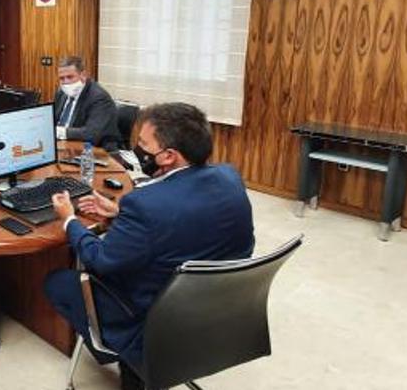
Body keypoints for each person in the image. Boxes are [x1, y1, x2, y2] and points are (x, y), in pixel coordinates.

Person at [44, 102, 254, 386]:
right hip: (217, 313)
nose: (136, 151)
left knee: (59, 282)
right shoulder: (230, 177)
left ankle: (131, 357)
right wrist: (119, 213)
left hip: (155, 319)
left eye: (142, 144)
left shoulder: (145, 204)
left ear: (168, 156)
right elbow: (188, 222)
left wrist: (70, 219)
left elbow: (101, 260)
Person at [52, 56, 120, 151]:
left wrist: (59, 132)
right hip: (63, 147)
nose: (66, 82)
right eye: (62, 78)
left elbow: (91, 133)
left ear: (83, 75)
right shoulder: (61, 93)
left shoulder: (99, 98)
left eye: (70, 77)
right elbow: (53, 120)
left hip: (94, 151)